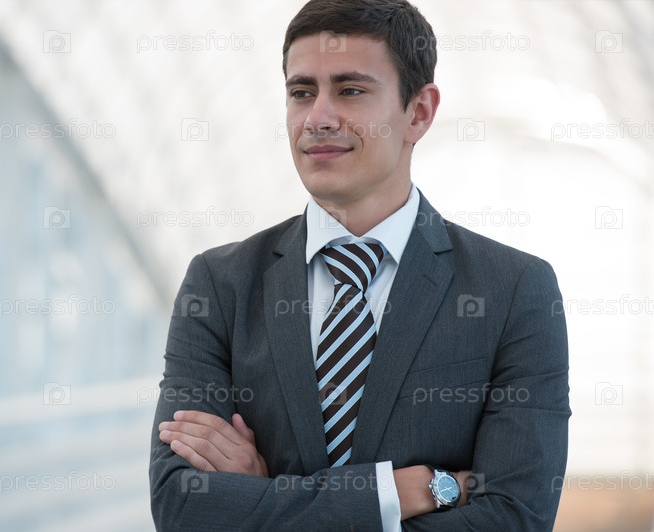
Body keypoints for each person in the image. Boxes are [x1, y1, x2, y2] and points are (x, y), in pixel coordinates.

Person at [149, 0, 570, 529]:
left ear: (418, 112)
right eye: (302, 93)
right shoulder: (220, 284)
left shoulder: (513, 290)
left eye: (350, 91)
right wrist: (396, 493)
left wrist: (264, 495)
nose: (318, 118)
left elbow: (515, 516)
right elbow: (182, 506)